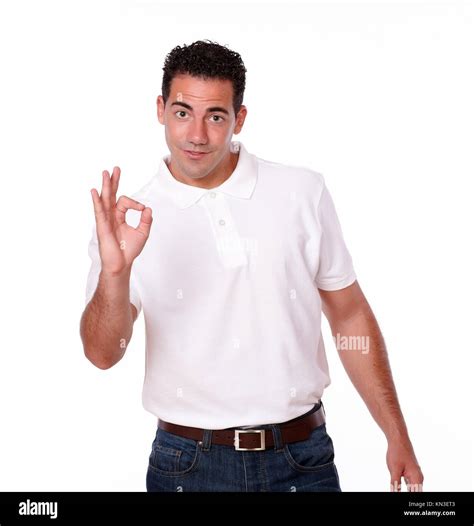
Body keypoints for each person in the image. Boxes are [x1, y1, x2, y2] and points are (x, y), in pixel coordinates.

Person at [80, 40, 424, 492]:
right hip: (186, 465)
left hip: (303, 458)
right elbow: (103, 354)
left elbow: (348, 314)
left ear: (239, 119)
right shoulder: (127, 219)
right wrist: (115, 273)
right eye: (183, 113)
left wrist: (396, 433)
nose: (197, 135)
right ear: (161, 109)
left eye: (215, 116)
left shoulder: (301, 192)